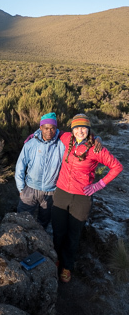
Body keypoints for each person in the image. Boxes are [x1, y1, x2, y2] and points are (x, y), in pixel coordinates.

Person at [51, 114, 123, 283]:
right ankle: (56, 260)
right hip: (61, 192)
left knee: (73, 234)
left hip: (82, 197)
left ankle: (67, 266)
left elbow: (117, 166)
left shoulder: (96, 149)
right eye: (76, 128)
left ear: (88, 129)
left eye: (83, 127)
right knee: (58, 231)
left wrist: (98, 185)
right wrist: (34, 135)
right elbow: (52, 130)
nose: (80, 131)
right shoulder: (67, 138)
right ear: (72, 129)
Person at [15, 112, 65, 229]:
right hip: (30, 189)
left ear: (56, 128)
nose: (49, 131)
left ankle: (39, 244)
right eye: (46, 128)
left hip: (51, 192)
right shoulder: (31, 144)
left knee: (44, 222)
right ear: (41, 127)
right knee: (21, 220)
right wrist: (21, 188)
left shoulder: (62, 145)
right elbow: (20, 166)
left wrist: (97, 138)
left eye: (52, 128)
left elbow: (81, 137)